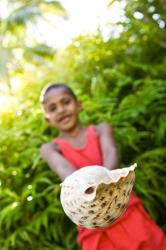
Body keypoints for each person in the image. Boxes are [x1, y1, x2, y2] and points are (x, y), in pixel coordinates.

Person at [40, 83, 166, 250]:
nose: (61, 110)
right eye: (53, 108)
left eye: (66, 102)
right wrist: (86, 186)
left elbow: (111, 151)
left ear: (79, 104)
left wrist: (104, 182)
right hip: (92, 223)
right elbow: (63, 169)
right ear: (47, 119)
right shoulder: (50, 149)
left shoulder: (101, 129)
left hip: (124, 210)